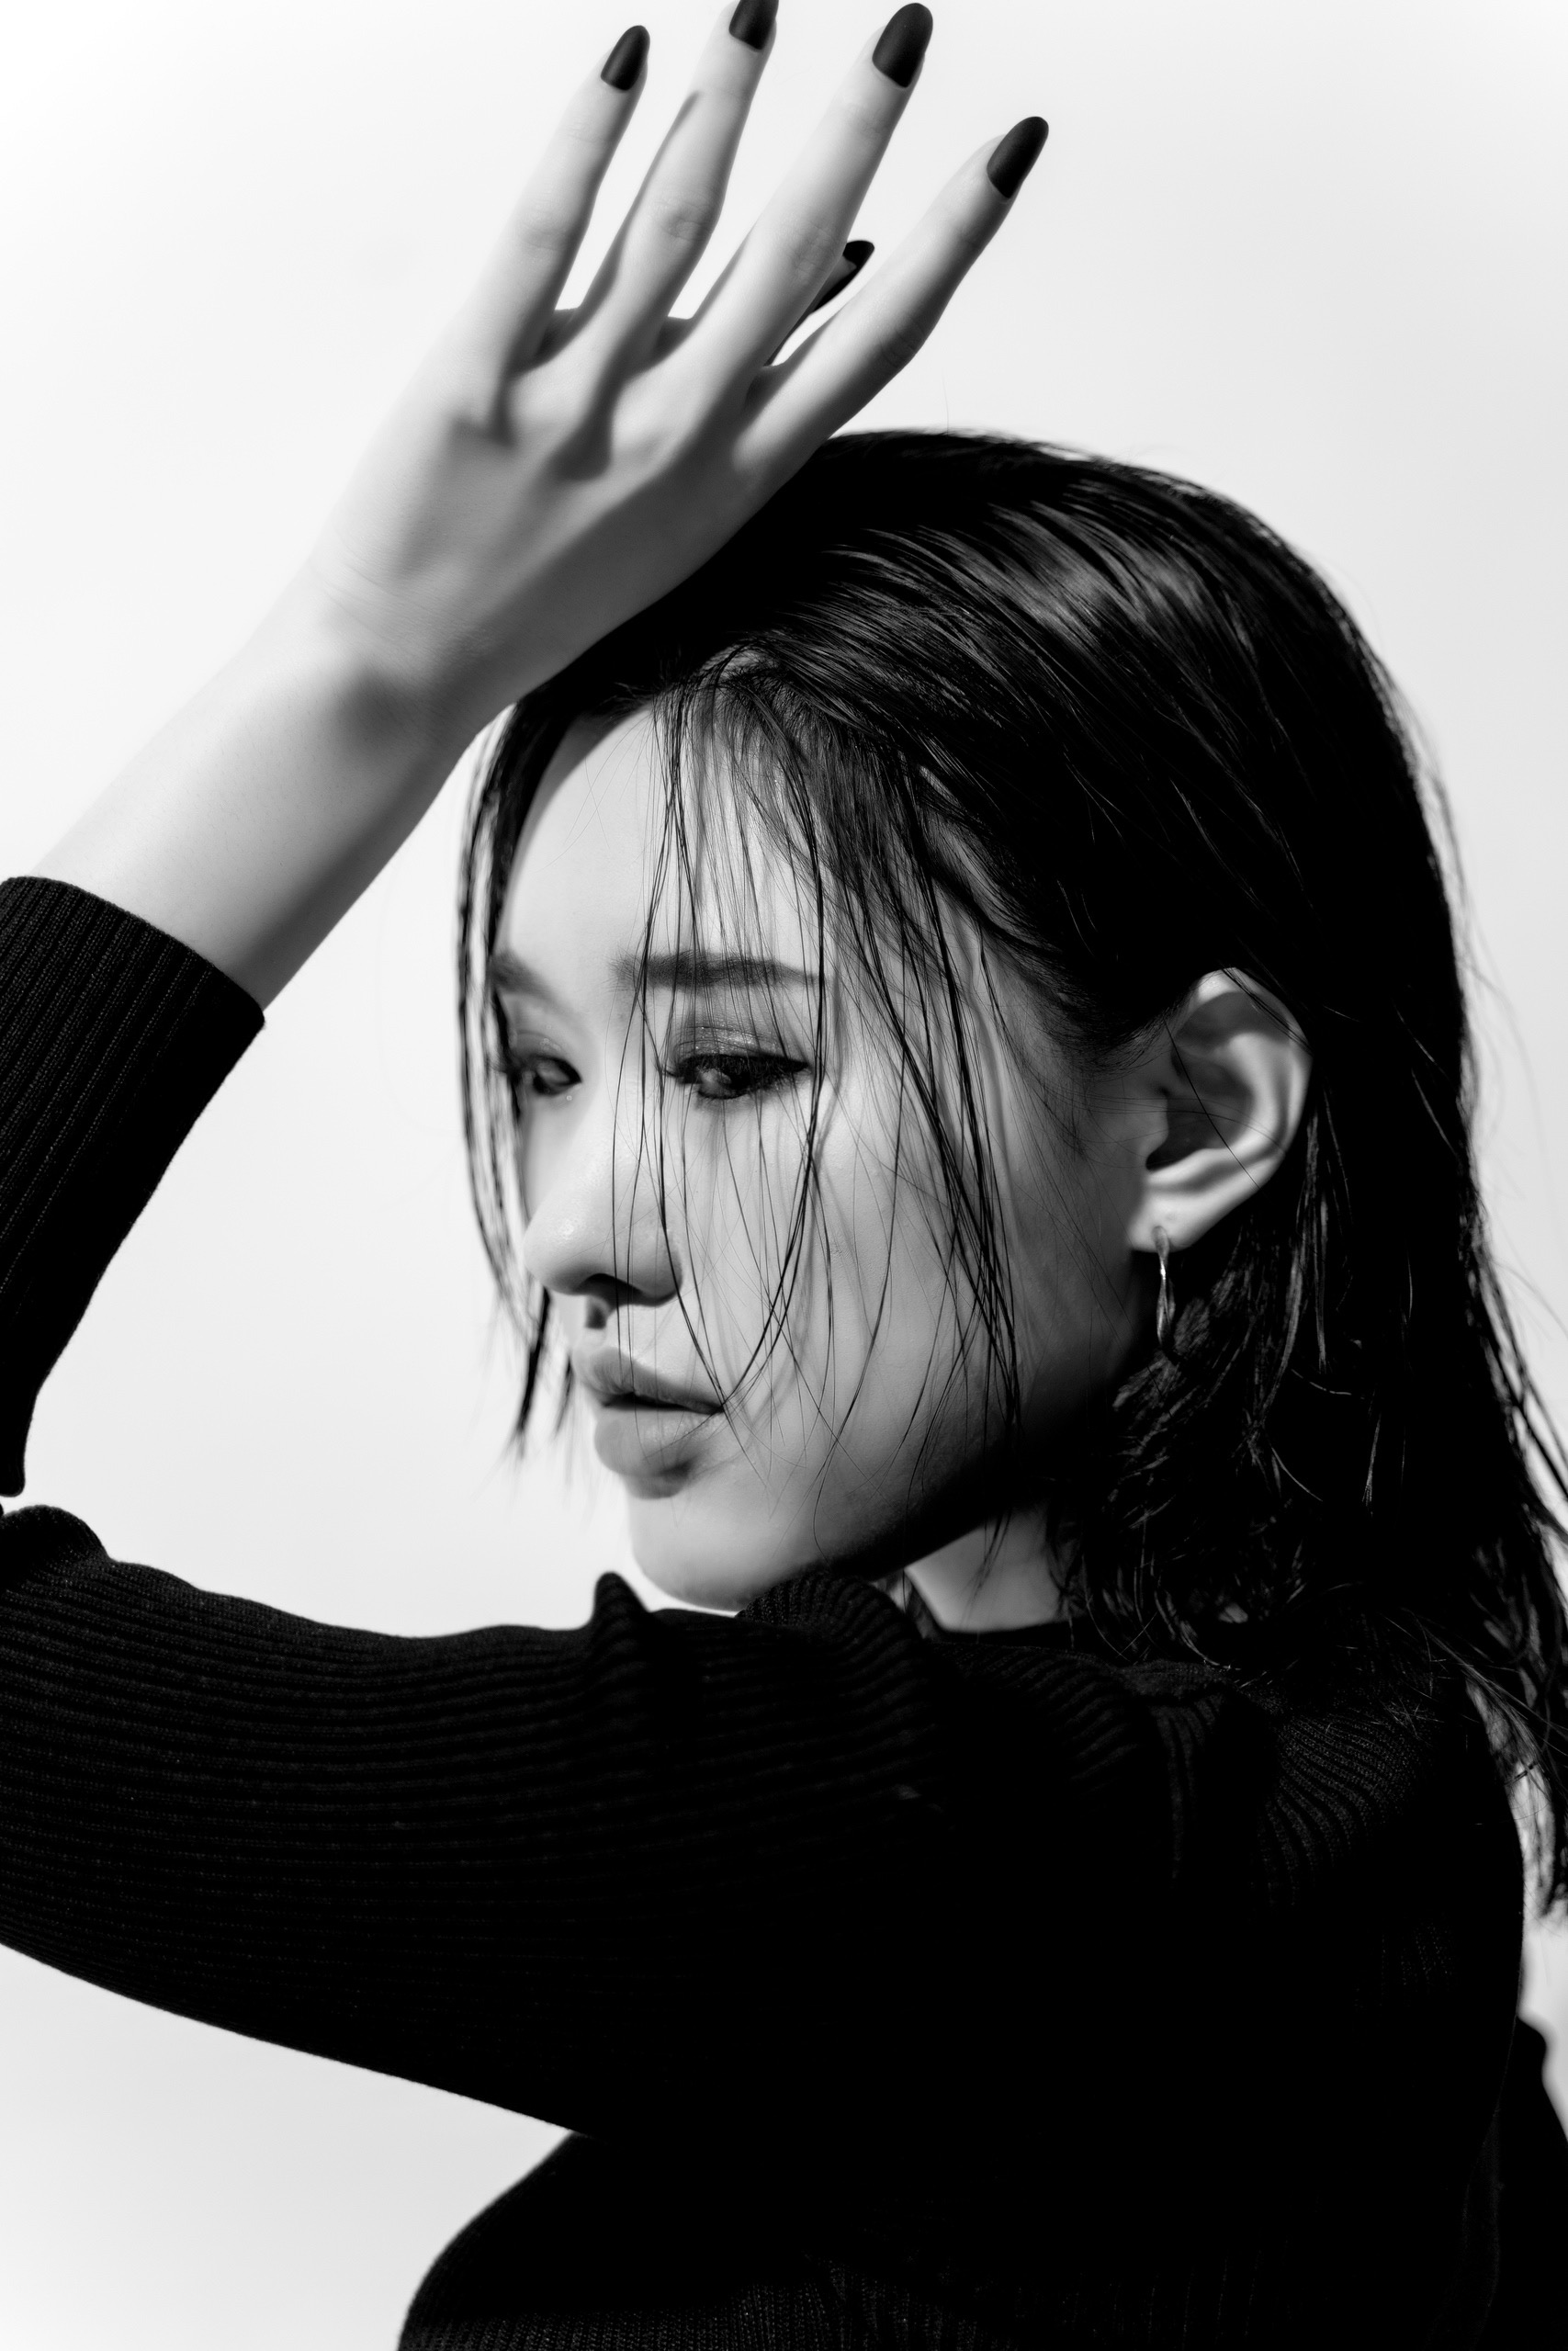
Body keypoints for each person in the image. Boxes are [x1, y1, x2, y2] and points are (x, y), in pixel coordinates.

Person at [0, 3, 1562, 2343]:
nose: (572, 1229)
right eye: (539, 1067)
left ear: (1191, 1114)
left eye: (732, 1062)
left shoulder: (1006, 1862)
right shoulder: (1342, 1835)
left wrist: (367, 663)